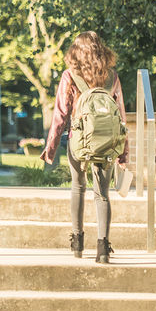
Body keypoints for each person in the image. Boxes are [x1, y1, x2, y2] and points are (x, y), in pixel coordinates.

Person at [41, 31, 128, 263]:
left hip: (78, 142)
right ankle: (103, 248)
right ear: (101, 50)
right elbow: (121, 117)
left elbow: (60, 113)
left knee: (78, 187)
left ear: (75, 52)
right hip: (107, 143)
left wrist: (50, 147)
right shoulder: (112, 77)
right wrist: (124, 153)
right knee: (102, 194)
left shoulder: (70, 76)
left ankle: (77, 242)